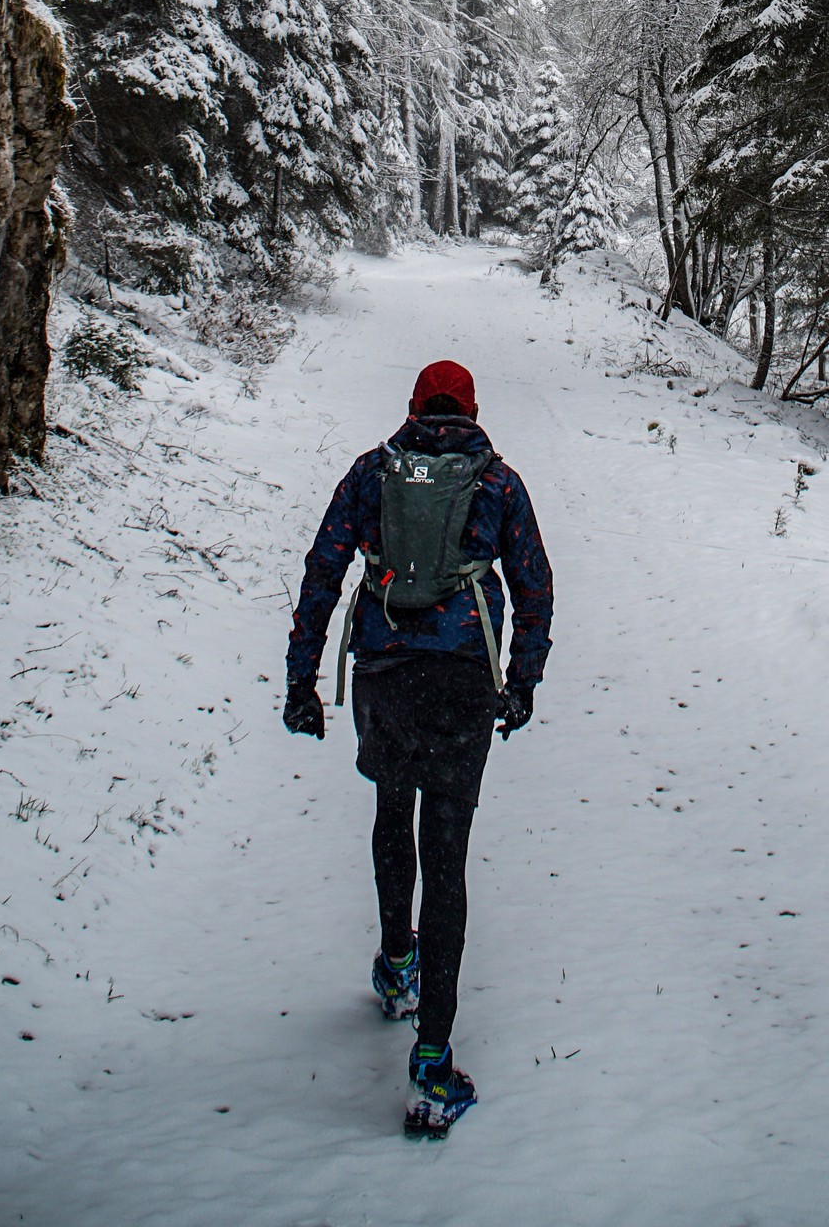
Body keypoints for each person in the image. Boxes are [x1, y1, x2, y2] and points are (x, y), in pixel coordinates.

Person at [285, 356, 554, 1138]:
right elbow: (535, 585)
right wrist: (524, 678)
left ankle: (395, 964)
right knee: (448, 852)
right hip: (466, 681)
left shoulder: (371, 473)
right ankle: (433, 1063)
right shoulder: (499, 483)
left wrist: (303, 680)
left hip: (385, 673)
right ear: (471, 410)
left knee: (390, 812)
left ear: (413, 406)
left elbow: (322, 572)